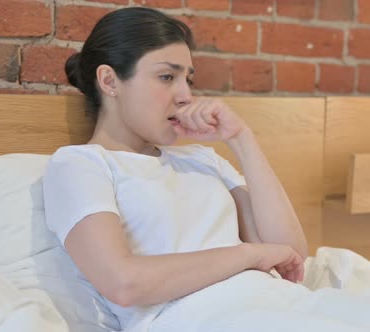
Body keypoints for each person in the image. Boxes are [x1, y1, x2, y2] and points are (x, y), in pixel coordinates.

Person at [43, 6, 308, 328]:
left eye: (188, 79)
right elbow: (124, 283)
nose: (185, 95)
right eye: (167, 77)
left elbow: (291, 255)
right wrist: (249, 256)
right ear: (110, 80)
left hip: (277, 304)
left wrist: (241, 139)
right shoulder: (81, 165)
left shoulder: (202, 159)